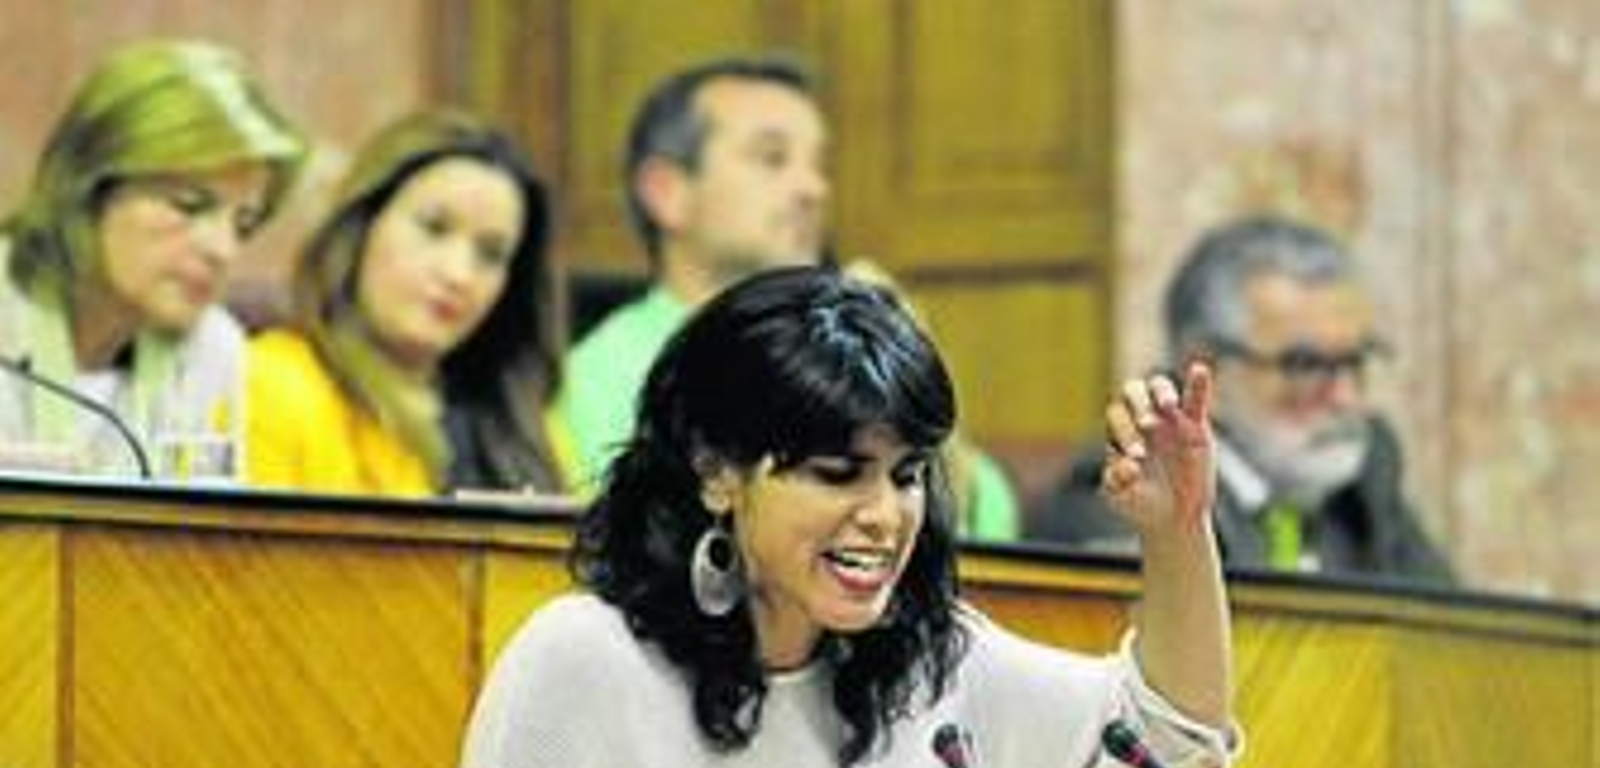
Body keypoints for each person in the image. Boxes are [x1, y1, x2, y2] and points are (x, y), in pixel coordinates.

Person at [443, 266, 1237, 768]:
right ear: (717, 470)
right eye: (837, 474)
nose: (886, 516)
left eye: (907, 474)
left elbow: (1172, 733)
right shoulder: (580, 668)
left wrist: (1176, 533)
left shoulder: (940, 680)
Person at [555, 54, 1021, 538]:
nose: (813, 188)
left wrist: (907, 363)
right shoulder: (598, 374)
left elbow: (989, 522)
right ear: (667, 191)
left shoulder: (844, 339)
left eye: (819, 165)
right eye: (772, 158)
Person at [1029, 214, 1454, 583]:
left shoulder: (1364, 471)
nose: (1345, 397)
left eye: (1355, 361)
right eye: (1305, 365)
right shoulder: (1130, 491)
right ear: (1206, 370)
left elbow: (1452, 634)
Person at [0, 39, 306, 480]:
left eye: (243, 223)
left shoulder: (212, 349)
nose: (222, 248)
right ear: (88, 189)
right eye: (188, 205)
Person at [246, 109, 573, 497]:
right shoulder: (272, 382)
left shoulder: (523, 416)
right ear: (363, 224)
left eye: (491, 254)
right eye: (434, 228)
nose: (459, 274)